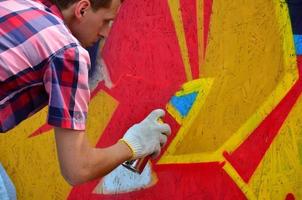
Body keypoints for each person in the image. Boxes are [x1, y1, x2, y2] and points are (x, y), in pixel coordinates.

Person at [0, 0, 171, 186]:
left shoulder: (17, 3)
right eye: (106, 21)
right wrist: (134, 144)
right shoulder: (68, 54)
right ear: (82, 9)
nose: (106, 33)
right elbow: (78, 169)